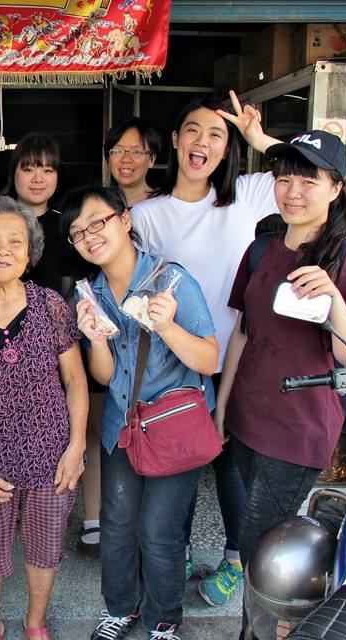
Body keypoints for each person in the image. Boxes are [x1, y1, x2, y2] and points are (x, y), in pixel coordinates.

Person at [213, 130, 346, 638]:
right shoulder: (261, 250)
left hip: (298, 430)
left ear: (336, 189)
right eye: (285, 179)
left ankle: (257, 632)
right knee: (259, 542)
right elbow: (243, 333)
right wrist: (222, 407)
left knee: (261, 545)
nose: (293, 192)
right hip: (247, 417)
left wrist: (335, 302)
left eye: (309, 181)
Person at [129, 91, 281, 603]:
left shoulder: (246, 196)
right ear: (175, 140)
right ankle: (184, 550)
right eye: (193, 130)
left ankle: (237, 558)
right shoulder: (147, 215)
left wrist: (259, 139)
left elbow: (311, 180)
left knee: (231, 461)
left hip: (237, 355)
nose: (203, 142)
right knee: (183, 458)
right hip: (179, 359)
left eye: (216, 134)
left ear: (227, 147)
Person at [63, 185, 219, 640]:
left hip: (173, 428)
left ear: (125, 220)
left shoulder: (172, 281)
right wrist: (95, 340)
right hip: (124, 426)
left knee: (159, 532)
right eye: (78, 233)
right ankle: (120, 608)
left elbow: (209, 359)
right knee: (117, 526)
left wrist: (166, 327)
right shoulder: (88, 294)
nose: (90, 237)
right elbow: (107, 377)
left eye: (98, 222)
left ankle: (163, 620)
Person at [0, 195, 88, 640]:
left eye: (15, 241)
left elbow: (75, 379)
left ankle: (36, 623)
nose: (3, 250)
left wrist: (76, 448)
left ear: (30, 251)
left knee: (45, 547)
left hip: (52, 459)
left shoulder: (49, 305)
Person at [78, 118, 162, 559]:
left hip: (159, 351)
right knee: (106, 428)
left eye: (136, 150)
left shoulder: (163, 209)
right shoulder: (93, 212)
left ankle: (160, 540)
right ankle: (105, 526)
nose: (126, 159)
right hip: (106, 341)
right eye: (117, 151)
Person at [7, 133, 68, 294]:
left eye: (47, 170)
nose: (38, 179)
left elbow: (68, 289)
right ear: (13, 174)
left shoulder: (66, 225)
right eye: (28, 169)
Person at [105, 118, 160, 207]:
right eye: (118, 151)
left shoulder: (163, 206)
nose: (126, 159)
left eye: (136, 152)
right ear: (108, 158)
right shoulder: (99, 206)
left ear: (151, 159)